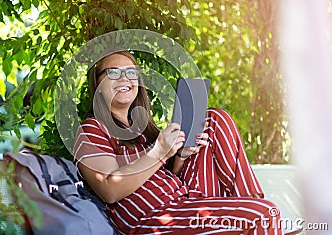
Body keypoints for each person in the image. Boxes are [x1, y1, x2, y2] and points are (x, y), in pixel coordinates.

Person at [73, 50, 284, 234]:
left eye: (131, 72)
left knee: (214, 120)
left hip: (182, 201)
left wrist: (181, 156)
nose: (124, 79)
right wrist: (159, 152)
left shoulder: (141, 129)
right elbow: (110, 190)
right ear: (98, 84)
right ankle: (258, 217)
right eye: (113, 73)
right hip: (152, 218)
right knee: (263, 214)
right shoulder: (93, 128)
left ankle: (252, 203)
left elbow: (164, 178)